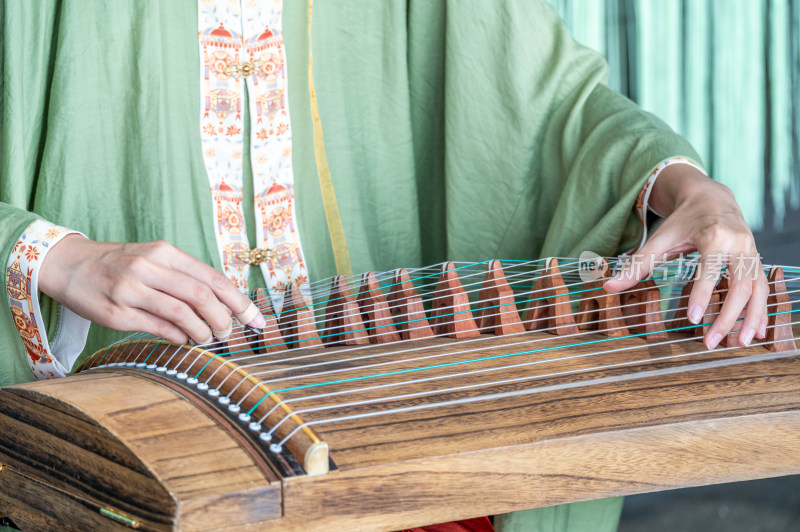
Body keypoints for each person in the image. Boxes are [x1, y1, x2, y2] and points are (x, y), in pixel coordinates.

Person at [0, 1, 765, 530]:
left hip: (375, 422)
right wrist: (56, 256)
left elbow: (549, 105)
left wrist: (692, 190)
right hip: (127, 442)